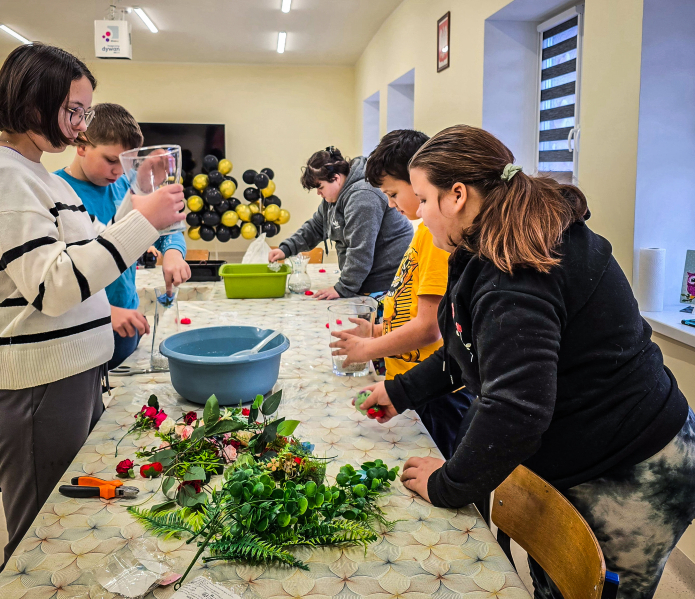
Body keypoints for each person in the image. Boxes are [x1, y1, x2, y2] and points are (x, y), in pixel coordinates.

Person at [358, 125, 695, 599]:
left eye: (424, 200)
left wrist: (447, 484)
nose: (420, 215)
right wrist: (400, 391)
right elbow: (470, 350)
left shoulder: (515, 268)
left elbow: (515, 408)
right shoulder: (484, 242)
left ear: (457, 195)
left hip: (635, 462)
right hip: (585, 445)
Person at [0, 43, 185, 575]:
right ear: (32, 103)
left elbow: (93, 249)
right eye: (73, 111)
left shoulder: (33, 172)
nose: (81, 127)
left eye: (84, 112)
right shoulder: (1, 173)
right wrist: (147, 220)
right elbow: (55, 287)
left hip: (64, 373)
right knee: (43, 536)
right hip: (34, 384)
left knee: (71, 520)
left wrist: (138, 204)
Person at [330, 130, 473, 458]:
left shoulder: (439, 237)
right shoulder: (425, 230)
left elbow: (429, 329)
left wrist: (369, 347)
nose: (392, 205)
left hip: (437, 389)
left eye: (394, 193)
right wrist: (376, 331)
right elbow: (412, 311)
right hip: (412, 382)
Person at [55, 103, 190, 369]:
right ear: (81, 145)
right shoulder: (58, 193)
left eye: (126, 162)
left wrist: (173, 252)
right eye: (110, 160)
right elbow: (56, 280)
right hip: (83, 336)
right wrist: (106, 312)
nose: (119, 171)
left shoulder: (124, 187)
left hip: (128, 327)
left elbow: (165, 229)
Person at [268, 146, 413, 300]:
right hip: (364, 281)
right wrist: (286, 249)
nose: (318, 193)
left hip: (385, 284)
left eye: (320, 187)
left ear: (336, 178)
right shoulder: (333, 198)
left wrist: (343, 288)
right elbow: (316, 227)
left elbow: (360, 250)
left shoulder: (363, 196)